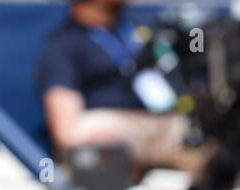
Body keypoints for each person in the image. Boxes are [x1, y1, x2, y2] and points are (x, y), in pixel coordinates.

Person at [34, 0, 207, 180]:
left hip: (166, 122)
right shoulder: (64, 43)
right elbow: (66, 132)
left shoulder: (140, 29)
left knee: (214, 133)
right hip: (117, 130)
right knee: (90, 135)